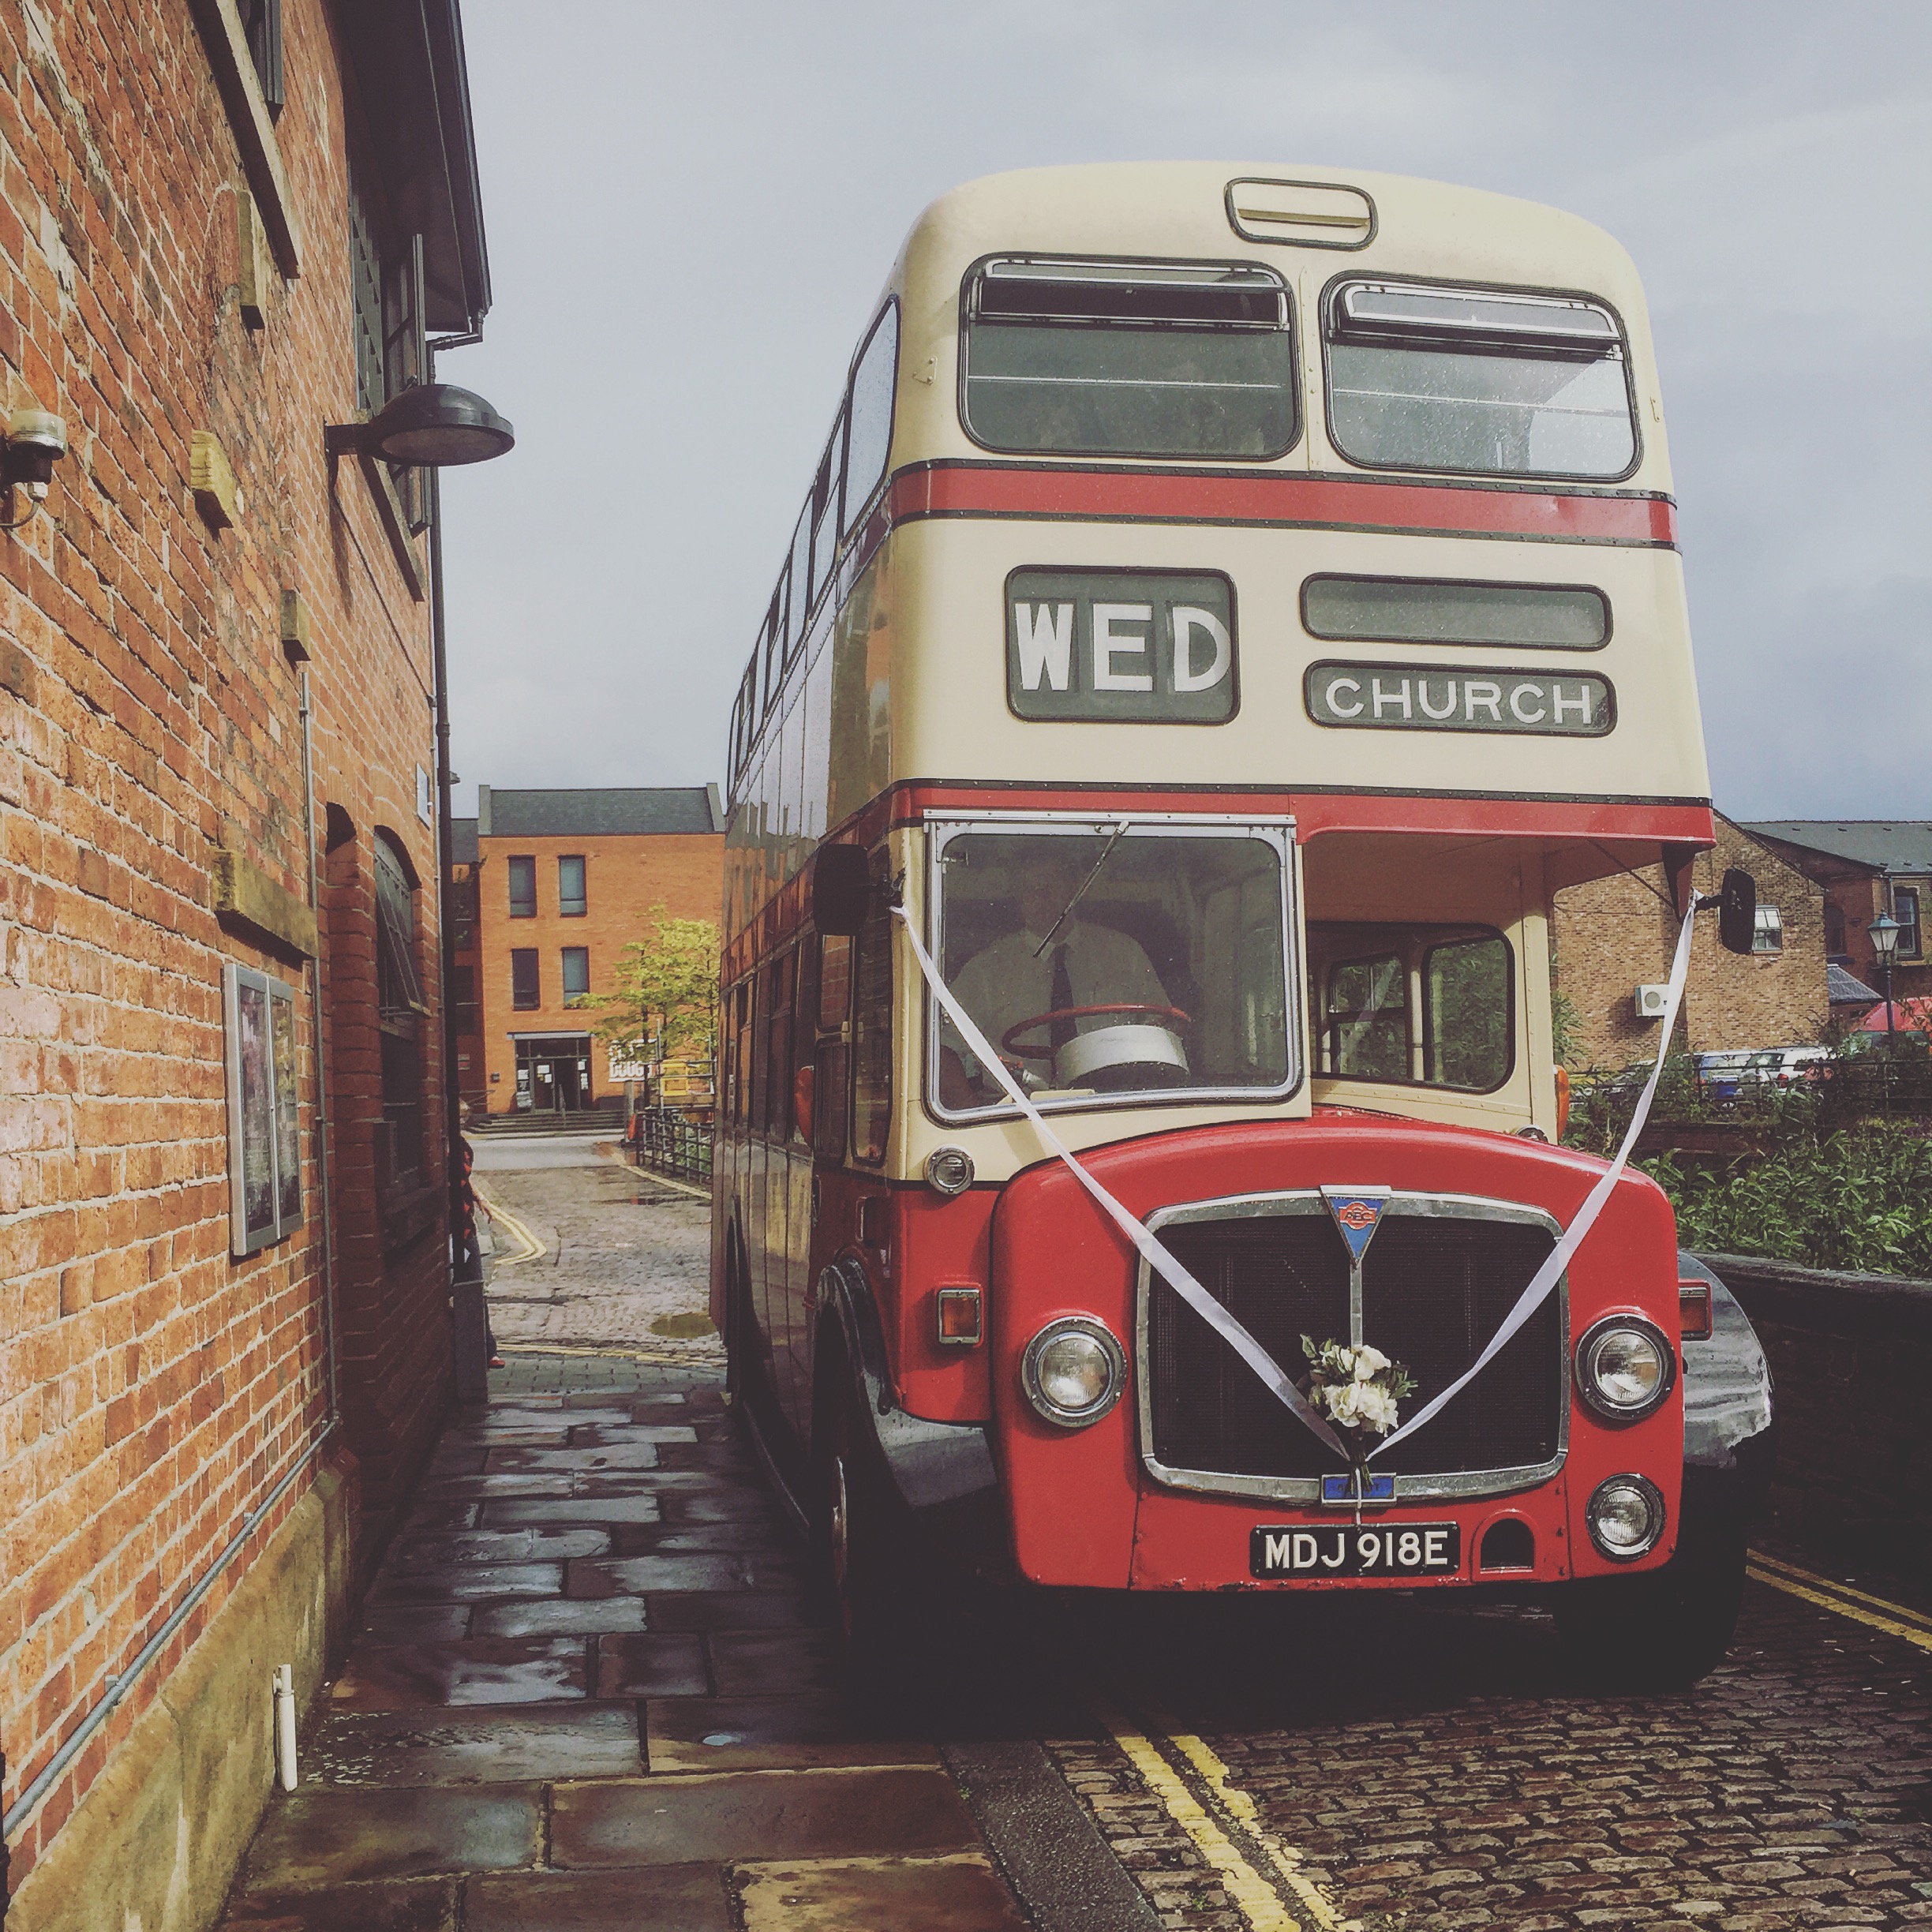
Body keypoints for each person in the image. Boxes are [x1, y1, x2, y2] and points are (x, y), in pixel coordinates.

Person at [944, 845, 1173, 1103]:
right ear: (1017, 897)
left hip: (1110, 1105)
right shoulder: (986, 969)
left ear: (1074, 889)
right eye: (1030, 891)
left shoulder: (1123, 953)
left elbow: (1162, 1028)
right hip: (1017, 1114)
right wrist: (970, 1107)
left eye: (1051, 887)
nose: (1041, 898)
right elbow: (944, 1044)